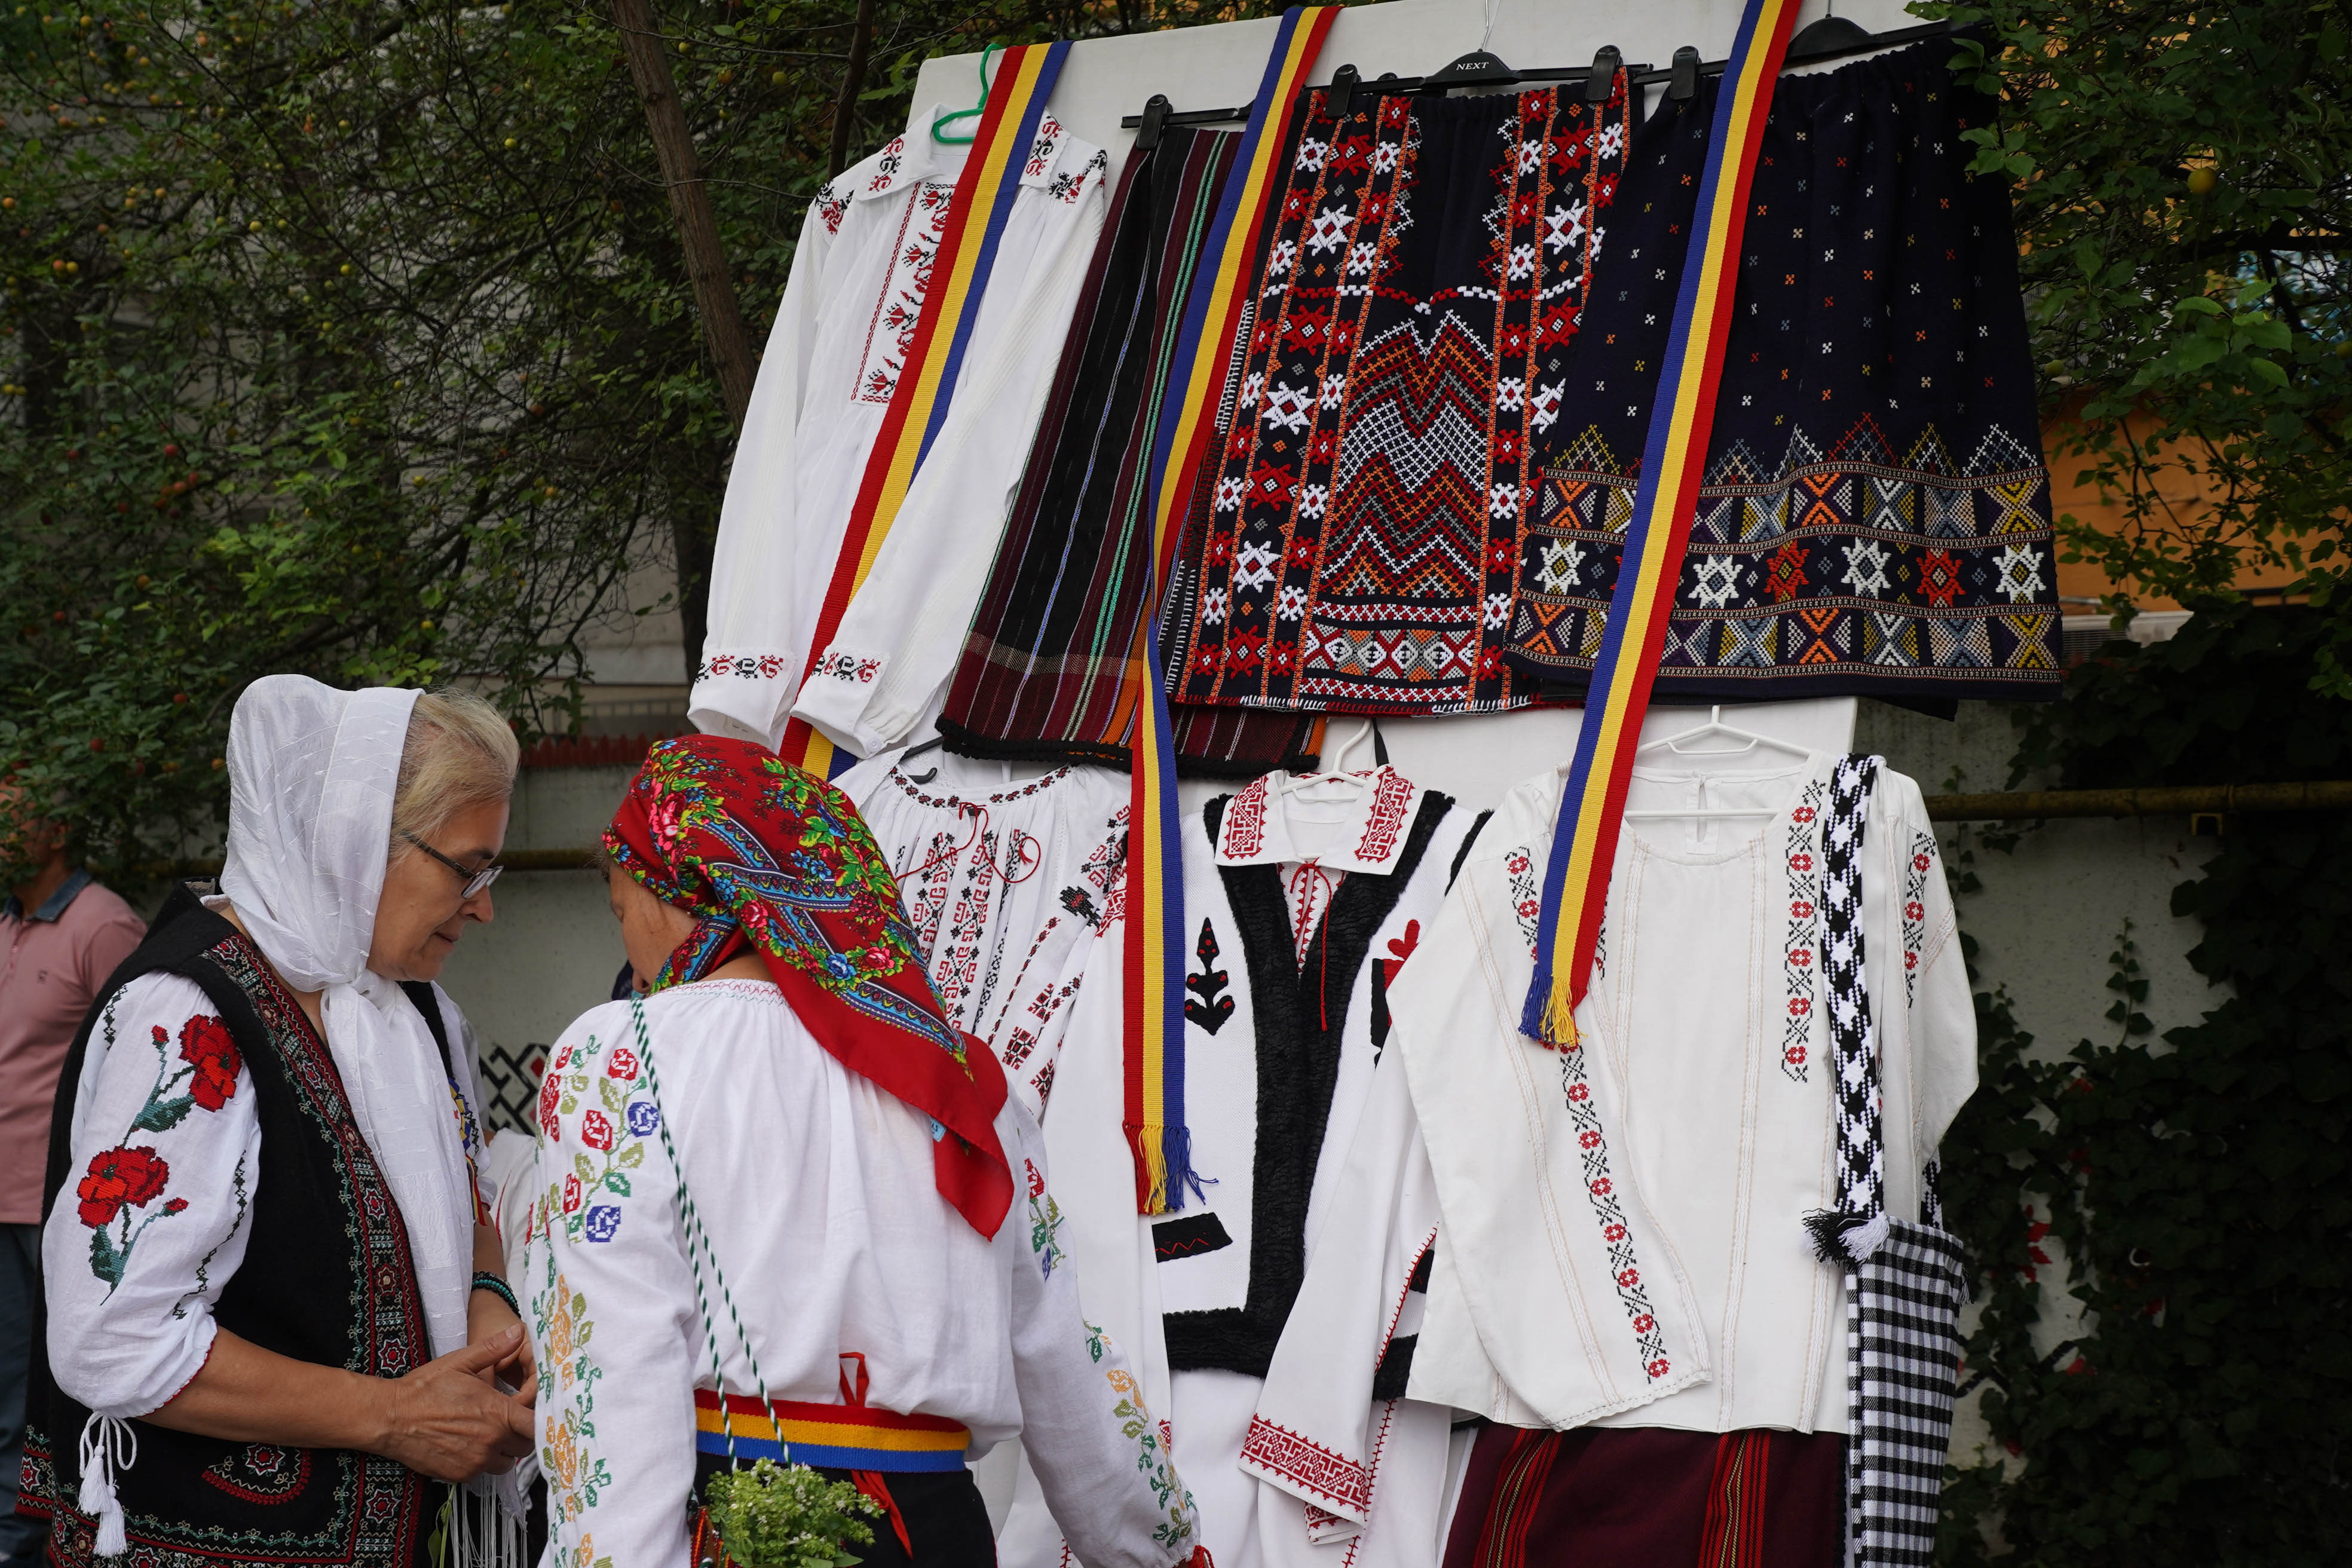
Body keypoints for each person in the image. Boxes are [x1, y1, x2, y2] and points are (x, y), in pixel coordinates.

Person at [524, 735, 1205, 1568]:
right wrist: (1161, 1550)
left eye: (620, 907)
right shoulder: (958, 1083)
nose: (627, 941)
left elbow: (614, 1364)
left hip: (741, 1527)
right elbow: (1061, 1358)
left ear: (674, 891)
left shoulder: (621, 1056)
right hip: (937, 1536)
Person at [21, 676, 538, 1567]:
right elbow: (109, 1335)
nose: (484, 905)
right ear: (357, 844)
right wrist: (393, 1415)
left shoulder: (413, 1011)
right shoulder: (189, 1020)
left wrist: (486, 1305)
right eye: (466, 868)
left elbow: (468, 1184)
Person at [0, 791, 146, 1566]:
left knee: (50, 1402)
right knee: (4, 1404)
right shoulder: (7, 924)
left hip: (59, 1210)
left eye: (13, 816)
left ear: (58, 828)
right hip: (0, 1203)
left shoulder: (103, 923)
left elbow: (137, 1062)